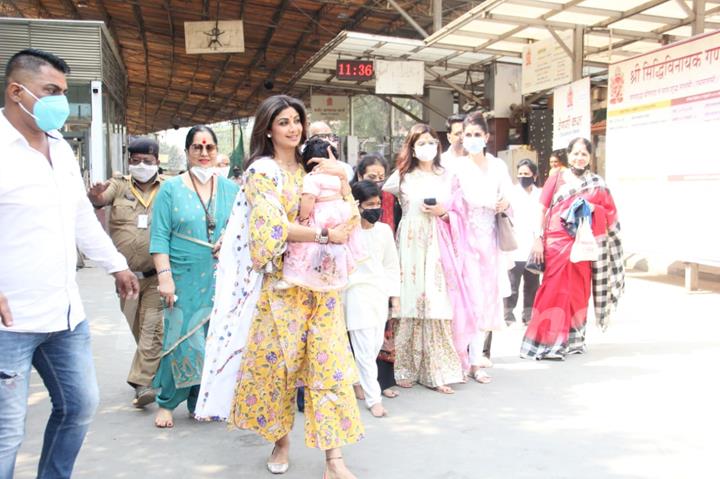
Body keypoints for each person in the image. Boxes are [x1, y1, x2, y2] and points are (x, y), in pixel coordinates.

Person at [196, 95, 362, 479]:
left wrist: (341, 187)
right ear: (268, 129)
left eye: (297, 121)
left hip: (323, 291)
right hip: (281, 290)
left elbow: (349, 210)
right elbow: (270, 227)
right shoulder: (262, 172)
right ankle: (281, 441)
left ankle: (334, 460)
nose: (293, 128)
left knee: (330, 368)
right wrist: (323, 234)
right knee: (279, 370)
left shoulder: (316, 167)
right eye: (284, 122)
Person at [0, 48, 139, 479]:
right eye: (50, 91)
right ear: (15, 90)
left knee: (79, 406)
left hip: (65, 315)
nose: (59, 100)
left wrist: (116, 264)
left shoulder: (60, 149)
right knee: (6, 431)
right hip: (10, 321)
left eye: (62, 90)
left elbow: (81, 218)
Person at [149, 125, 239, 428]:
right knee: (184, 340)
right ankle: (167, 402)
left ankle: (200, 401)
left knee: (215, 341)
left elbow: (243, 231)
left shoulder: (231, 190)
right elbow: (159, 237)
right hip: (182, 275)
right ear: (188, 151)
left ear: (216, 151)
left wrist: (228, 241)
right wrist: (165, 277)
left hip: (221, 277)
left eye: (209, 148)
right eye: (197, 148)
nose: (204, 154)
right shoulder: (170, 189)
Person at [521, 137, 624, 360]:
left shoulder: (597, 183)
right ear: (568, 156)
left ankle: (572, 340)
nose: (579, 158)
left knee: (578, 290)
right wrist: (537, 238)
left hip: (583, 245)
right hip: (556, 242)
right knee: (553, 289)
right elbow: (540, 210)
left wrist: (591, 207)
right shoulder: (556, 178)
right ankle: (546, 342)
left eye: (584, 154)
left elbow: (610, 215)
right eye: (575, 153)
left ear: (590, 157)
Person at [383, 124, 464, 395]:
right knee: (408, 300)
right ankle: (404, 368)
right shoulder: (401, 178)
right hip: (408, 244)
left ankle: (439, 371)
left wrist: (443, 213)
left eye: (431, 141)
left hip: (437, 242)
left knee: (437, 300)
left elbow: (462, 213)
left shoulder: (448, 176)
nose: (427, 146)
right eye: (421, 142)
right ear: (412, 147)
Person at [87, 136, 165, 408]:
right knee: (139, 329)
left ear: (157, 162)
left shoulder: (167, 189)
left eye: (147, 161)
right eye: (136, 161)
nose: (141, 165)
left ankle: (141, 382)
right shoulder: (119, 186)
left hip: (156, 275)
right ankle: (155, 371)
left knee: (152, 329)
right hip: (127, 278)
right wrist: (96, 195)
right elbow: (100, 198)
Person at [435, 111, 512, 384]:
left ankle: (476, 360)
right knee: (463, 301)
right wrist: (487, 201)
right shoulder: (455, 167)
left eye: (478, 135)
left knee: (483, 301)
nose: (472, 139)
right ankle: (459, 358)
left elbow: (507, 193)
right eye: (468, 135)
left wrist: (503, 202)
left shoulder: (497, 166)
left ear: (487, 137)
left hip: (489, 240)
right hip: (463, 239)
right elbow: (452, 200)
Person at [344, 180, 400, 418]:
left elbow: (391, 266)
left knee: (374, 344)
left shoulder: (384, 231)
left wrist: (394, 297)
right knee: (366, 348)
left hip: (379, 294)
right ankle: (373, 398)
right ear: (357, 205)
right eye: (369, 204)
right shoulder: (346, 232)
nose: (375, 208)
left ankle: (358, 381)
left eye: (378, 203)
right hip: (355, 293)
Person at [279, 136, 363, 291]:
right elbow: (347, 194)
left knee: (304, 243)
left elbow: (309, 198)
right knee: (336, 245)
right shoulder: (338, 176)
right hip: (341, 212)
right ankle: (337, 276)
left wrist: (304, 217)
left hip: (323, 214)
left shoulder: (311, 178)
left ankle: (294, 275)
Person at [504, 159, 541, 327]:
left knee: (532, 283)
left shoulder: (539, 194)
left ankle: (528, 314)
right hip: (515, 244)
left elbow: (542, 219)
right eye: (520, 174)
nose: (523, 177)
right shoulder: (510, 193)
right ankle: (508, 313)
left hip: (534, 245)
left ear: (534, 175)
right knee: (513, 283)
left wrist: (539, 239)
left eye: (526, 174)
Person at [352, 153, 400, 234]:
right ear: (360, 176)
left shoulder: (389, 196)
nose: (377, 181)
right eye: (372, 177)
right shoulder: (348, 196)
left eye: (381, 177)